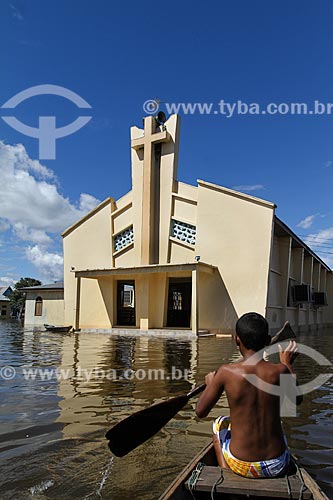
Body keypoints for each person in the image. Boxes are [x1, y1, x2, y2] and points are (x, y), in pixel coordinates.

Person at [196, 312, 300, 479]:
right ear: (267, 341)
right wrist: (287, 365)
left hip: (241, 465)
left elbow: (200, 411)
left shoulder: (226, 372)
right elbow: (297, 399)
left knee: (218, 424)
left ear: (237, 339)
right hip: (277, 465)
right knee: (279, 424)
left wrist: (210, 385)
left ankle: (225, 473)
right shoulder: (279, 370)